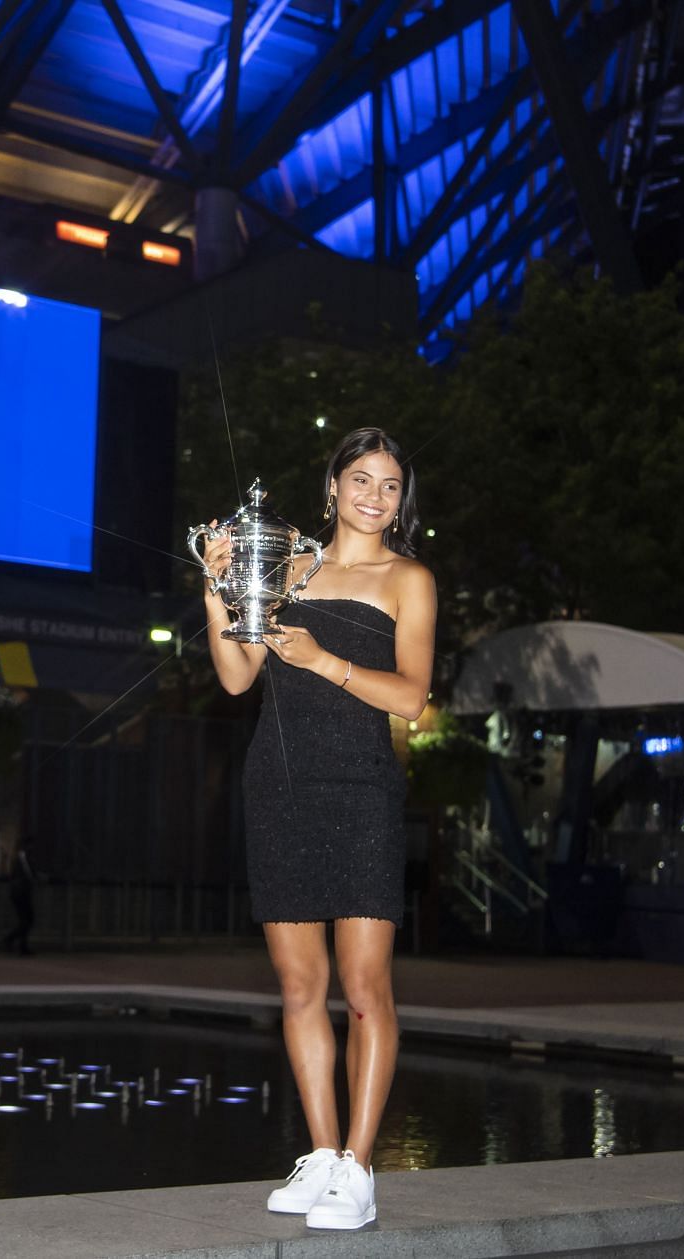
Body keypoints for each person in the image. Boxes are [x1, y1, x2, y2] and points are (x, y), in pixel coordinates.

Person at [199, 428, 435, 1231]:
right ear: (331, 485)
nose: (375, 494)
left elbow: (411, 699)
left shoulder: (409, 579)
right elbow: (236, 678)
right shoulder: (290, 567)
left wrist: (321, 659)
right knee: (300, 987)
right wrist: (216, 590)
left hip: (363, 789)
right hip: (282, 786)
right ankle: (324, 1155)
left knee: (365, 986)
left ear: (401, 500)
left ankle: (362, 1169)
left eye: (391, 484)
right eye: (360, 478)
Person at [2, 840, 37, 955]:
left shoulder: (22, 859)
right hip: (20, 893)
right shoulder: (22, 859)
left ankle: (20, 944)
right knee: (27, 920)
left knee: (27, 920)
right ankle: (12, 940)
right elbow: (28, 875)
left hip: (21, 892)